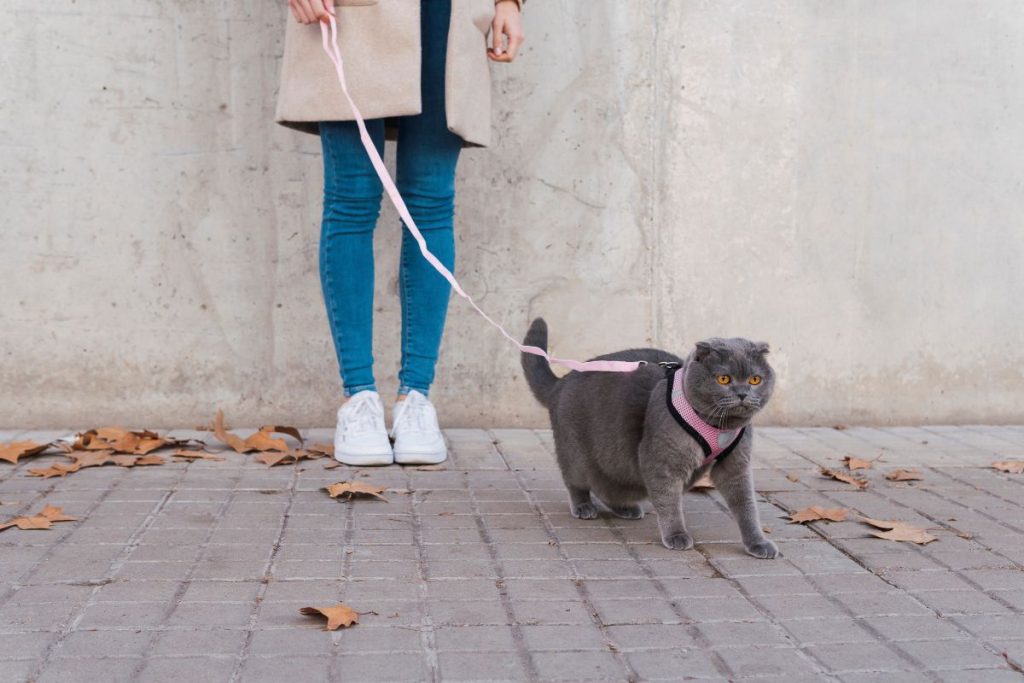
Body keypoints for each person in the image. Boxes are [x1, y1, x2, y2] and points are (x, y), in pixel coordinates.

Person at [276, 0, 524, 466]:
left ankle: (416, 398)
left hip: (447, 14)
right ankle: (358, 399)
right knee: (352, 196)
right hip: (349, 14)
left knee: (430, 201)